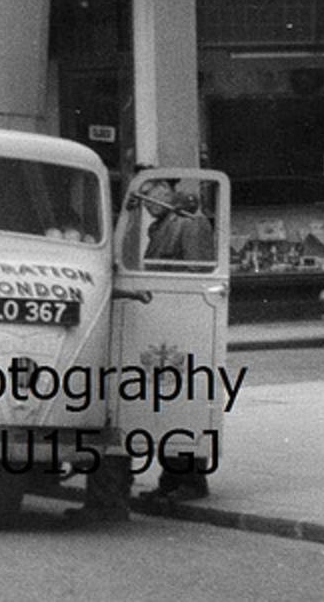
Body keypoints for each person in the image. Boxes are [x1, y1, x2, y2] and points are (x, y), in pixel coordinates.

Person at [137, 177, 216, 504]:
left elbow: (198, 277)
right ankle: (171, 477)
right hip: (166, 322)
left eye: (150, 193)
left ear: (166, 189)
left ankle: (191, 479)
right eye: (142, 198)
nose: (146, 202)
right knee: (165, 401)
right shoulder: (161, 226)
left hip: (185, 323)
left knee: (183, 401)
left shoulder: (188, 224)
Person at [140, 179, 215, 266]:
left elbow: (199, 271)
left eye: (146, 194)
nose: (145, 203)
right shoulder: (156, 228)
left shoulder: (190, 224)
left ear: (163, 186)